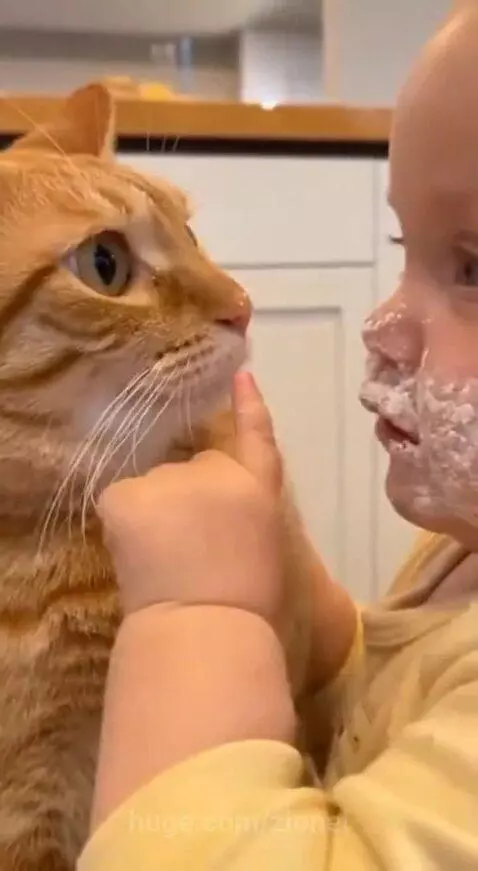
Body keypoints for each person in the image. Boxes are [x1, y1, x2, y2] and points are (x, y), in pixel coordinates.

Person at [78, 3, 478, 869]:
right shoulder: (457, 556)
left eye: (473, 269)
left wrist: (199, 610)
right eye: (404, 247)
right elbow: (382, 700)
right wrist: (289, 584)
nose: (384, 324)